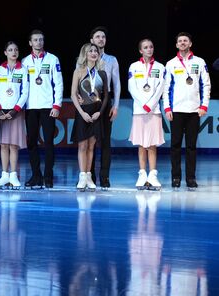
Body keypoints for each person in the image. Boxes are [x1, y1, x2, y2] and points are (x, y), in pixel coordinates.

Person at [163, 32, 211, 189]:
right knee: (175, 145)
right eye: (180, 41)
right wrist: (167, 107)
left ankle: (191, 178)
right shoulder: (170, 64)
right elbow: (166, 88)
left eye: (185, 41)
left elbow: (206, 84)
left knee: (191, 146)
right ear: (176, 45)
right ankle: (176, 177)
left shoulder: (200, 62)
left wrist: (204, 105)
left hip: (194, 111)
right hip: (176, 110)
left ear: (190, 44)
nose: (183, 43)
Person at [21, 29, 63, 189]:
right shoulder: (25, 62)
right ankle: (36, 176)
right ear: (30, 43)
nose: (39, 42)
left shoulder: (52, 59)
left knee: (49, 143)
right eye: (36, 40)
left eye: (41, 40)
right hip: (30, 107)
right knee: (31, 142)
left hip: (48, 107)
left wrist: (57, 105)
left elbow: (58, 83)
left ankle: (48, 177)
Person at [127, 39, 166, 190]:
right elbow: (132, 87)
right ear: (140, 51)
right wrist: (143, 103)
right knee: (142, 144)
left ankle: (153, 175)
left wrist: (150, 104)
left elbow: (160, 88)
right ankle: (142, 174)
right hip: (139, 110)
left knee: (152, 144)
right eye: (145, 47)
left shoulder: (160, 67)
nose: (149, 49)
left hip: (154, 110)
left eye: (151, 46)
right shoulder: (134, 66)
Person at [0, 41, 29, 190]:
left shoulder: (23, 70)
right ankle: (4, 175)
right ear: (5, 52)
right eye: (10, 50)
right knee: (4, 145)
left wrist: (15, 110)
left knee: (14, 145)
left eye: (16, 49)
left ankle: (14, 175)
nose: (14, 52)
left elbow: (25, 91)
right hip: (1, 112)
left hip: (16, 112)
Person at [71, 43, 109, 191]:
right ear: (85, 54)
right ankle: (82, 177)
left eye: (95, 51)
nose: (93, 53)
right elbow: (73, 94)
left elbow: (106, 96)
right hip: (83, 112)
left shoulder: (102, 73)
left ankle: (88, 177)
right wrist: (82, 112)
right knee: (82, 145)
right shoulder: (78, 72)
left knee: (91, 146)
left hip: (96, 112)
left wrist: (100, 112)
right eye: (90, 51)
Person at [89, 26, 120, 189]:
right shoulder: (84, 59)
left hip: (106, 100)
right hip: (89, 101)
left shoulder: (111, 59)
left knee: (105, 141)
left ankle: (104, 176)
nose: (101, 39)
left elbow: (117, 83)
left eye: (103, 37)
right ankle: (90, 175)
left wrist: (116, 105)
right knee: (91, 141)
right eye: (97, 37)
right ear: (91, 40)